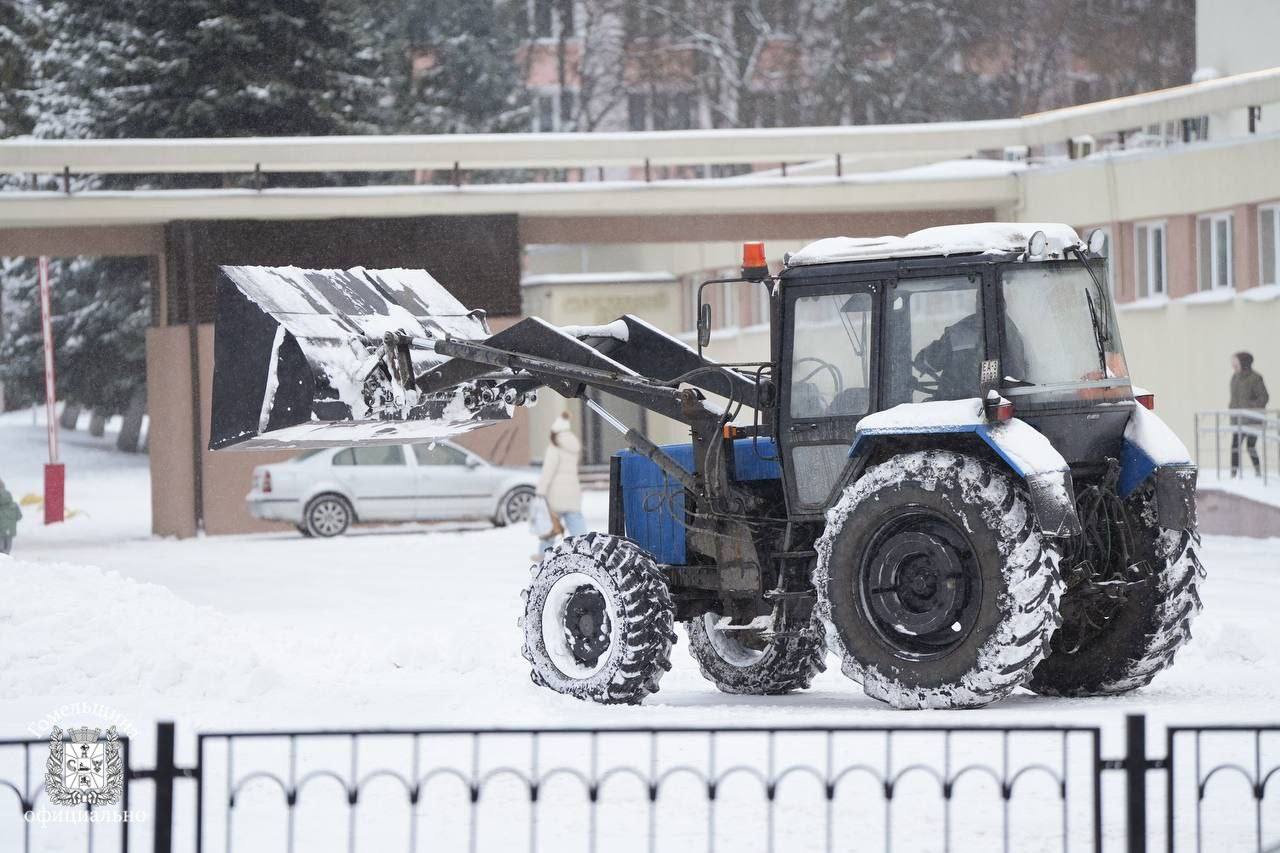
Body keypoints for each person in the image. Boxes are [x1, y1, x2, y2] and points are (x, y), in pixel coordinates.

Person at [535, 412, 587, 553]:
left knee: (550, 527)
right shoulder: (574, 446)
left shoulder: (554, 448)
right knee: (577, 526)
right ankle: (585, 551)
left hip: (556, 494)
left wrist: (540, 492)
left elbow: (548, 472)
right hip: (573, 491)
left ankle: (544, 555)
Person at [1229, 351, 1269, 478]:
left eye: (1235, 362)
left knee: (1250, 446)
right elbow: (1234, 398)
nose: (1233, 365)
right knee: (1234, 446)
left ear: (1244, 363)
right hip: (1238, 420)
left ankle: (1258, 472)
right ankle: (1233, 474)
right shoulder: (1234, 378)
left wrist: (1249, 407)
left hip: (1252, 420)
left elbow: (1264, 398)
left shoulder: (1255, 378)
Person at [0, 477, 22, 555]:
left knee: (1, 548)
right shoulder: (14, 506)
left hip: (0, 530)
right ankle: (7, 559)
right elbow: (19, 517)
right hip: (10, 530)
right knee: (8, 548)